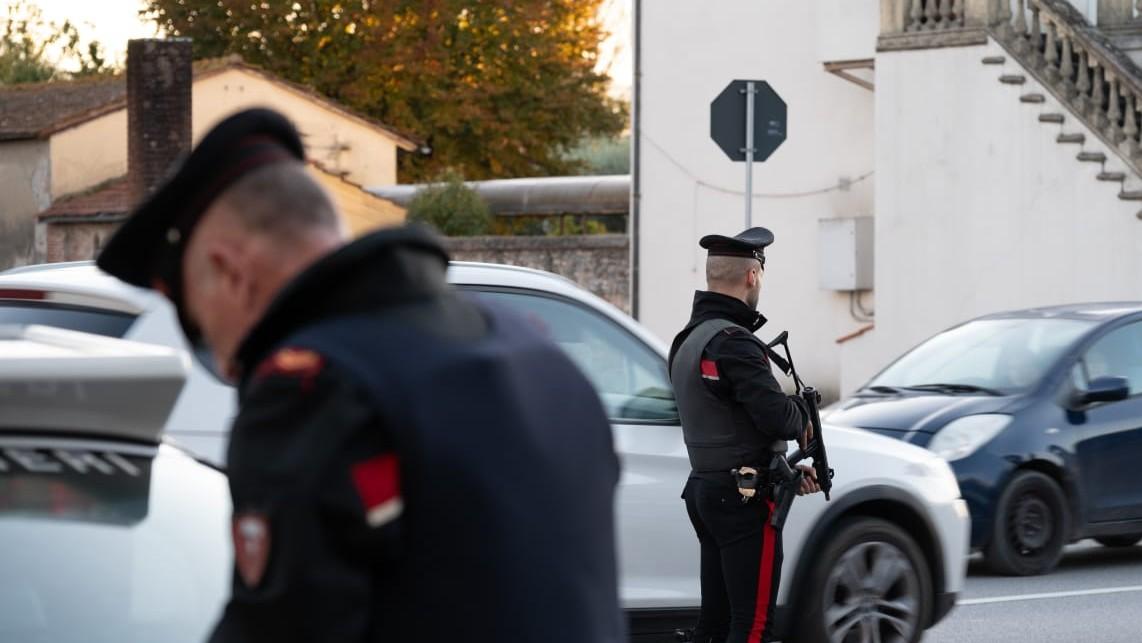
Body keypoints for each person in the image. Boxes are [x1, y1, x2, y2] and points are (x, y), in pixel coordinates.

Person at [96, 108, 624, 643]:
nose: (226, 364)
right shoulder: (535, 350)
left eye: (200, 323)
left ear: (231, 272)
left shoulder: (314, 389)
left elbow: (284, 628)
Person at [667, 227, 821, 643]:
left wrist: (785, 472)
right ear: (753, 276)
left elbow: (730, 420)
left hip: (706, 491)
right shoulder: (735, 343)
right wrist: (803, 412)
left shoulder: (688, 340)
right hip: (742, 501)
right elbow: (777, 418)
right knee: (752, 628)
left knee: (713, 627)